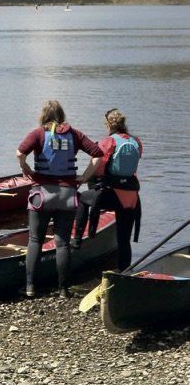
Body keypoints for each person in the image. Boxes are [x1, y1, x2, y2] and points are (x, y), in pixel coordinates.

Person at [16, 100, 103, 298]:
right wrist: (85, 177)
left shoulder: (38, 134)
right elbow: (98, 155)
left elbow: (20, 153)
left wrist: (25, 168)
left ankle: (30, 287)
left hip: (41, 195)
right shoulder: (75, 134)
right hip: (67, 196)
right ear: (62, 115)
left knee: (35, 240)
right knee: (62, 243)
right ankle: (64, 289)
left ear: (43, 116)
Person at [72, 108, 143, 270]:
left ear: (108, 125)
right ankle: (124, 272)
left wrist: (84, 178)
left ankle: (77, 239)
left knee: (83, 198)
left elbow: (98, 167)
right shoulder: (136, 142)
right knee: (124, 240)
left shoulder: (108, 141)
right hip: (132, 197)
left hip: (114, 194)